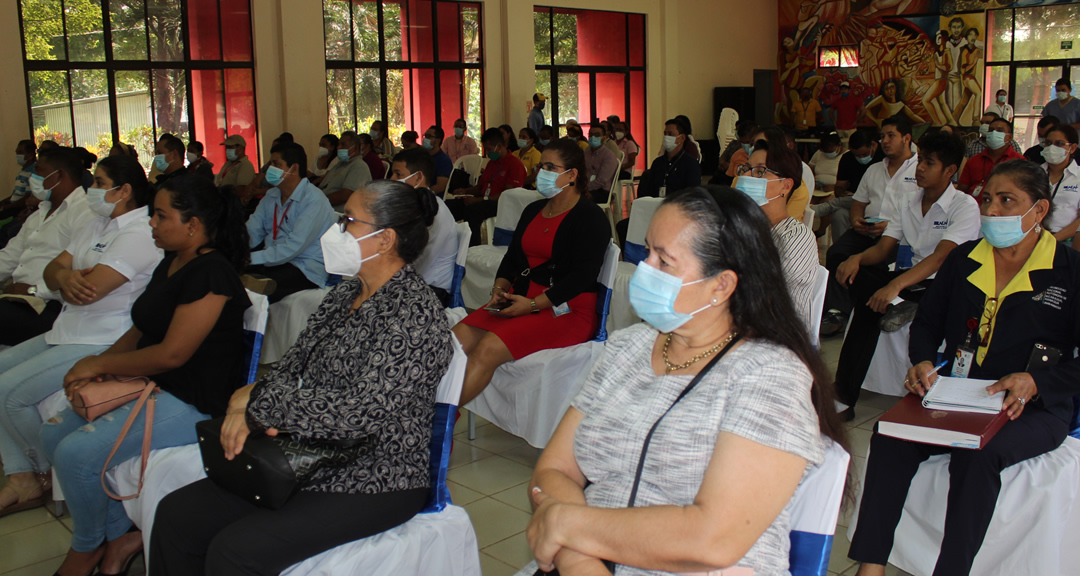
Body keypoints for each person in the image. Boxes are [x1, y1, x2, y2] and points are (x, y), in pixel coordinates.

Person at [525, 186, 847, 576]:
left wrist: (567, 527)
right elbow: (554, 470)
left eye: (665, 261)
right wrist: (578, 558)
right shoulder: (627, 348)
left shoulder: (770, 375)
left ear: (721, 286)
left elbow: (713, 539)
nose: (644, 270)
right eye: (647, 252)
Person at [150, 179, 451, 575]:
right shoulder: (347, 293)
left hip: (376, 475)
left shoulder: (415, 314)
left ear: (384, 240)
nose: (337, 230)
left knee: (235, 552)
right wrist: (256, 397)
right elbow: (294, 366)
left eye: (348, 221)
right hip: (307, 452)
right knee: (176, 515)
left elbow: (359, 414)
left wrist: (259, 405)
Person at [849, 160, 1080, 576]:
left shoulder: (1070, 271)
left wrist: (1036, 382)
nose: (992, 211)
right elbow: (928, 323)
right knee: (889, 435)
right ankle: (871, 565)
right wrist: (921, 360)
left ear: (1040, 210)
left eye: (1008, 201)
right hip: (961, 393)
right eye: (988, 199)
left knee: (976, 456)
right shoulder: (964, 260)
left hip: (1033, 406)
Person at [41, 174, 252, 576]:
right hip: (153, 382)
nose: (151, 224)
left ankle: (88, 547)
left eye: (160, 216)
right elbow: (140, 328)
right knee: (52, 433)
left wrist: (99, 365)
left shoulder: (212, 273)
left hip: (193, 399)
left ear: (192, 225)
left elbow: (172, 354)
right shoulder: (173, 261)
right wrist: (99, 367)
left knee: (75, 455)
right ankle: (117, 533)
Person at [0, 155, 161, 519]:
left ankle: (37, 471)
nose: (92, 190)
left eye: (100, 184)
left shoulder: (140, 233)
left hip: (105, 336)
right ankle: (23, 475)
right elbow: (54, 267)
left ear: (124, 191)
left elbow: (95, 289)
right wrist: (66, 278)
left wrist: (69, 279)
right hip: (71, 327)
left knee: (9, 393)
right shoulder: (97, 222)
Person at [832, 131, 980, 420]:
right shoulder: (909, 201)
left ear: (950, 170)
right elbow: (884, 248)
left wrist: (895, 286)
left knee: (869, 308)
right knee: (857, 275)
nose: (920, 168)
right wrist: (858, 258)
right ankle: (843, 396)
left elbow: (941, 258)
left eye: (929, 163)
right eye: (920, 160)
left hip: (943, 285)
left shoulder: (964, 206)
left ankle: (844, 394)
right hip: (908, 280)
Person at [454, 139, 609, 405]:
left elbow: (581, 278)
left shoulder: (590, 217)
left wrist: (534, 305)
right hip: (522, 298)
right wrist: (498, 290)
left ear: (571, 175)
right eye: (540, 166)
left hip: (567, 308)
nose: (541, 173)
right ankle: (422, 408)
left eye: (550, 167)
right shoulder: (534, 209)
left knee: (488, 348)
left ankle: (434, 426)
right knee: (454, 342)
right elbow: (512, 259)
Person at [820, 116, 920, 338]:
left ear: (906, 138)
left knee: (878, 264)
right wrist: (856, 221)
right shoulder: (874, 170)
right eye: (882, 136)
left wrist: (889, 226)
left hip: (899, 234)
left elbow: (920, 212)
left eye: (891, 135)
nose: (884, 141)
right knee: (837, 253)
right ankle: (837, 311)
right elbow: (858, 204)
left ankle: (872, 307)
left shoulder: (919, 170)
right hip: (867, 228)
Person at [0, 148, 95, 346]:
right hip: (18, 299)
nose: (33, 178)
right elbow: (9, 257)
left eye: (40, 171)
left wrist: (35, 290)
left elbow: (82, 271)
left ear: (59, 175)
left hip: (49, 305)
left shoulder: (84, 213)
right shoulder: (38, 214)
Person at [736, 141, 818, 333]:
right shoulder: (745, 229)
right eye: (746, 169)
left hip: (780, 339)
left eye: (759, 171)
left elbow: (764, 292)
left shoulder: (797, 237)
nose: (747, 176)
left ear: (785, 186)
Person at [244, 142, 337, 303]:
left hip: (303, 267)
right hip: (273, 260)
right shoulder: (272, 196)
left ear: (293, 168)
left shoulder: (313, 199)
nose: (270, 168)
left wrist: (249, 258)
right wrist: (235, 251)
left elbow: (292, 248)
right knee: (226, 271)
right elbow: (251, 231)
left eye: (276, 164)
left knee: (250, 291)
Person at [392, 148, 457, 305]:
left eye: (398, 174)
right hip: (414, 283)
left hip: (432, 291)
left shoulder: (433, 211)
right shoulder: (410, 207)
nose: (392, 179)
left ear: (418, 177)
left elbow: (417, 260)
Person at [445, 128, 526, 246]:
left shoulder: (514, 164)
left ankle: (473, 248)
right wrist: (465, 191)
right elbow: (480, 187)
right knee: (450, 206)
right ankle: (449, 244)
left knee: (472, 211)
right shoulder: (491, 163)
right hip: (484, 199)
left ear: (498, 146)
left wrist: (479, 200)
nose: (487, 153)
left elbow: (508, 195)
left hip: (500, 203)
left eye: (489, 149)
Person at [813, 130, 884, 245]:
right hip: (852, 200)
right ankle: (839, 253)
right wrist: (843, 193)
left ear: (873, 145)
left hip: (875, 201)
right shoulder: (847, 158)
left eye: (864, 154)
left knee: (844, 202)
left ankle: (818, 210)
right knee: (839, 215)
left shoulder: (884, 158)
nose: (861, 158)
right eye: (857, 155)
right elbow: (840, 187)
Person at [736, 126, 810, 221]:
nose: (746, 175)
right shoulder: (742, 177)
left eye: (760, 171)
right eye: (753, 144)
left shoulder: (791, 234)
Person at [958, 118, 1025, 198]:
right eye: (991, 130)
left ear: (1010, 137)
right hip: (975, 207)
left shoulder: (1019, 161)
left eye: (999, 131)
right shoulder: (973, 160)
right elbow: (962, 190)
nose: (994, 133)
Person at [636, 118, 701, 198]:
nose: (666, 137)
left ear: (682, 137)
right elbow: (649, 190)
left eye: (670, 134)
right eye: (665, 134)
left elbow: (692, 193)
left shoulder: (690, 163)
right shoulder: (658, 163)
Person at [1040, 125, 1080, 242]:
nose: (1052, 148)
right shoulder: (1034, 174)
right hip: (1034, 240)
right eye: (1048, 143)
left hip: (1068, 240)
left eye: (1059, 143)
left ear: (1072, 148)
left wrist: (1052, 240)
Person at [319, 131, 373, 210]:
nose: (338, 147)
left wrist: (321, 201)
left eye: (343, 145)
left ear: (355, 148)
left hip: (338, 213)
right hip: (324, 207)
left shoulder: (359, 166)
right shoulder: (339, 165)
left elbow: (346, 195)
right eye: (339, 144)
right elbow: (324, 185)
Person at [1, 140, 36, 221]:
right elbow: (15, 194)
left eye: (20, 152)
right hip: (12, 206)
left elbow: (26, 199)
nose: (17, 155)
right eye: (17, 152)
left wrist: (6, 207)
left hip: (18, 210)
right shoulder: (22, 171)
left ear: (30, 155)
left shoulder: (33, 172)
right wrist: (3, 203)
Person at [584, 123, 619, 204]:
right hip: (586, 188)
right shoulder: (586, 152)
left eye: (597, 135)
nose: (593, 137)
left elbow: (602, 180)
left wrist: (585, 188)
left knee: (579, 200)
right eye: (591, 135)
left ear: (604, 137)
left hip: (601, 191)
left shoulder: (609, 156)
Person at [422, 125, 453, 195]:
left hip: (433, 198)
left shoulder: (444, 160)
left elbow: (440, 187)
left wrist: (422, 194)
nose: (425, 139)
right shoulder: (422, 157)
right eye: (425, 136)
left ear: (438, 140)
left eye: (429, 136)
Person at [833, 81, 864, 148]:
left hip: (851, 128)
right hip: (840, 128)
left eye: (845, 89)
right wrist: (834, 121)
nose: (844, 91)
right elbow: (830, 111)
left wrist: (857, 121)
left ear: (848, 90)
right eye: (842, 89)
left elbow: (863, 110)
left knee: (852, 146)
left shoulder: (854, 100)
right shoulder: (837, 101)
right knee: (841, 147)